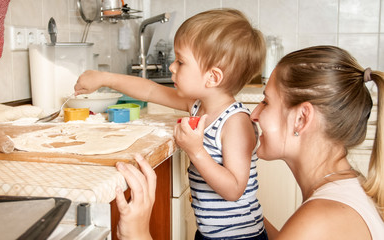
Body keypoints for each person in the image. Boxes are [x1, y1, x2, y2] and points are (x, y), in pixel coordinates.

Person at [114, 45, 384, 240]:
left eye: (266, 101)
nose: (252, 114)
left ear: (301, 118)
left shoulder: (321, 221)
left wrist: (137, 233)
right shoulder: (345, 195)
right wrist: (246, 218)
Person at [75, 9, 267, 240]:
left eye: (181, 61)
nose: (172, 67)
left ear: (213, 77)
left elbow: (234, 189)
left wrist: (195, 150)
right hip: (209, 232)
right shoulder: (197, 105)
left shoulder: (236, 122)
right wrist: (105, 79)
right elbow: (150, 90)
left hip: (240, 237)